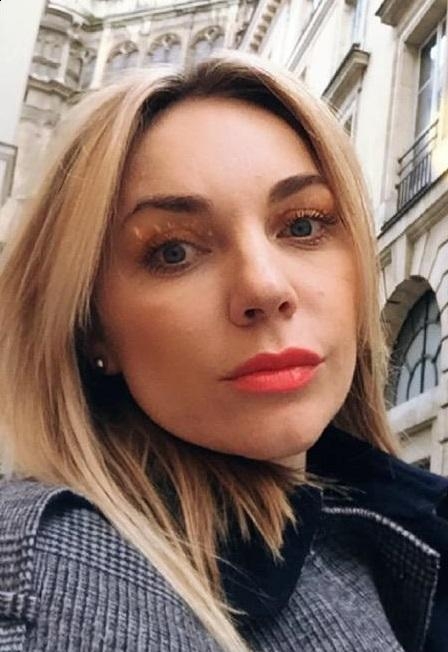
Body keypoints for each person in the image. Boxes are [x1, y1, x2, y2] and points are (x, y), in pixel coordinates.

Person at [0, 53, 446, 652]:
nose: (264, 288)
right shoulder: (50, 578)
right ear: (90, 327)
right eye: (174, 252)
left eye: (303, 225)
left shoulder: (379, 526)